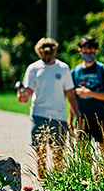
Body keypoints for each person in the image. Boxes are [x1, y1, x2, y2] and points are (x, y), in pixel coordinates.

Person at [17, 38, 80, 179]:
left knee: (58, 154)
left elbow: (70, 94)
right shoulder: (33, 68)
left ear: (54, 51)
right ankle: (43, 182)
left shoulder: (63, 68)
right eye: (44, 53)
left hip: (59, 117)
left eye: (50, 53)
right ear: (39, 52)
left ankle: (57, 185)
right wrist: (21, 96)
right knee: (40, 153)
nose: (47, 56)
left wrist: (77, 115)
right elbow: (26, 95)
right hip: (39, 114)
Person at [70, 36, 104, 155]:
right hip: (82, 118)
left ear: (96, 51)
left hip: (102, 117)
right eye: (85, 51)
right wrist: (71, 120)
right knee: (83, 154)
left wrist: (89, 93)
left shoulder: (103, 70)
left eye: (92, 51)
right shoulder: (75, 72)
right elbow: (72, 98)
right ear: (80, 50)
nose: (89, 54)